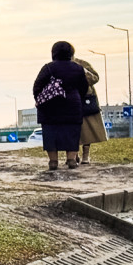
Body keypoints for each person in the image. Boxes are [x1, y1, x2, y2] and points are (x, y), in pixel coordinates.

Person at [33, 42, 88, 170]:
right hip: (73, 105)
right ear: (71, 53)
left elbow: (37, 86)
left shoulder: (48, 68)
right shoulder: (78, 68)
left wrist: (41, 100)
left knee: (51, 133)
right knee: (72, 133)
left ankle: (53, 161)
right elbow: (84, 87)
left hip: (50, 107)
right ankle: (71, 159)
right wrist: (76, 97)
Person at [73, 56, 107, 164]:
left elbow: (95, 78)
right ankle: (73, 155)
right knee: (71, 128)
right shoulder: (59, 65)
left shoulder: (82, 63)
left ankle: (85, 155)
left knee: (87, 127)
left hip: (85, 99)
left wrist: (84, 72)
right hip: (70, 100)